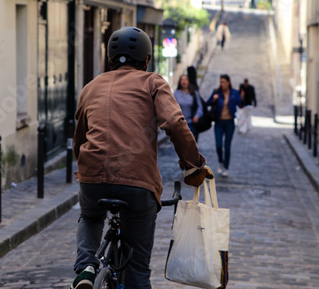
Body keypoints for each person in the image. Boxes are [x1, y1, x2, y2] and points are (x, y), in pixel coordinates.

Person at [72, 26, 214, 289]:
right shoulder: (153, 82)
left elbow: (79, 137)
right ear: (147, 59)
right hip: (136, 181)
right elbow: (174, 121)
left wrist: (84, 170)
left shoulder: (91, 87)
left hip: (92, 177)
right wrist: (193, 164)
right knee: (137, 271)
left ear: (110, 59)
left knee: (90, 217)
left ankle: (86, 267)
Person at [207, 74, 242, 177]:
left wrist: (242, 98)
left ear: (228, 82)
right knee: (218, 145)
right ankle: (221, 161)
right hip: (218, 122)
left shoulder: (234, 93)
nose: (222, 84)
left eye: (223, 82)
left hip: (229, 122)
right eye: (221, 82)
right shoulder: (217, 92)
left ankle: (226, 167)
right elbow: (207, 103)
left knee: (227, 146)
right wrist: (214, 99)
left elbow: (240, 104)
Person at [174, 75, 204, 141]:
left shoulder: (194, 93)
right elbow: (172, 108)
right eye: (182, 79)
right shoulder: (176, 94)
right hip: (179, 124)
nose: (184, 81)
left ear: (189, 81)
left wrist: (197, 116)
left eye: (186, 79)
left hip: (191, 123)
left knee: (190, 145)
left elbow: (200, 107)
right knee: (181, 146)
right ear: (179, 82)